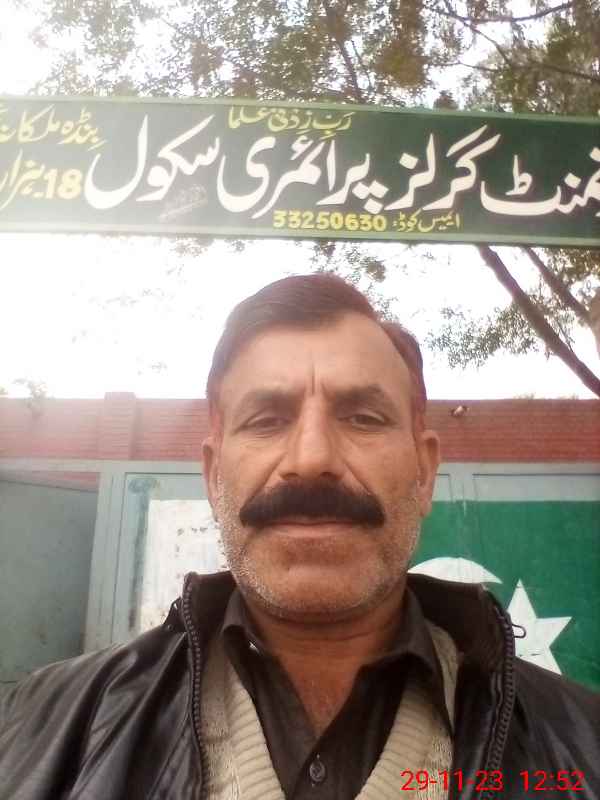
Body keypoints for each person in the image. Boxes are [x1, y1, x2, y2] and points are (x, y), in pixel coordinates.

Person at [1, 273, 598, 800]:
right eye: (267, 420)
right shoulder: (31, 731)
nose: (311, 460)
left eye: (363, 418)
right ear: (213, 475)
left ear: (423, 471)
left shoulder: (585, 744)